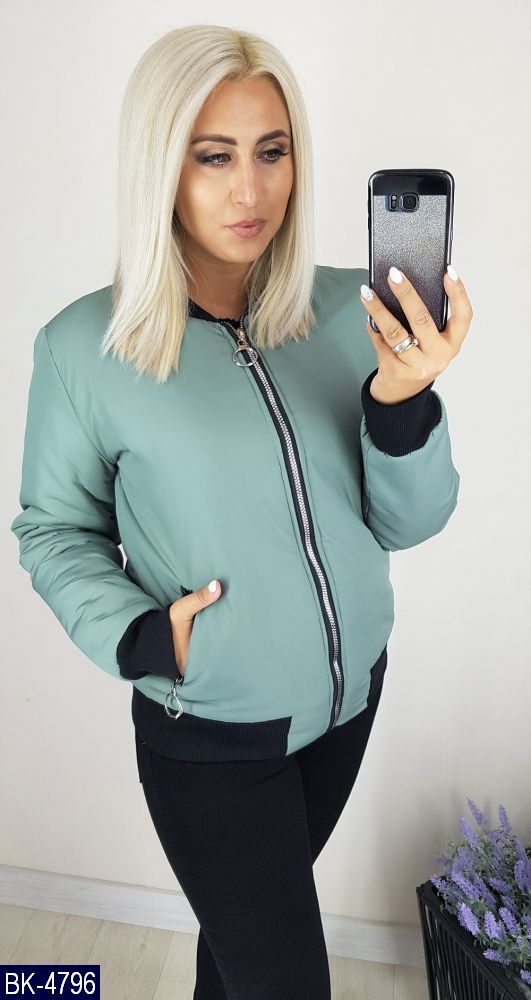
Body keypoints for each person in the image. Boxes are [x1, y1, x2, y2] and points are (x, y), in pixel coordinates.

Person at [11, 24, 472, 1000]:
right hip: (213, 733)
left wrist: (403, 398)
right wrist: (146, 637)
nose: (250, 190)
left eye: (272, 150)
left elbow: (410, 522)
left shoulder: (353, 310)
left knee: (241, 956)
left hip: (348, 700)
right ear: (159, 167)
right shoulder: (84, 348)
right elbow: (52, 529)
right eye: (212, 156)